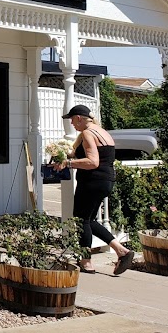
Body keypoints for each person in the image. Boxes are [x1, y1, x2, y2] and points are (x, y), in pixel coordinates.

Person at [52, 104, 135, 275]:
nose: (72, 125)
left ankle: (86, 261)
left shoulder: (88, 134)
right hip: (106, 181)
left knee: (81, 220)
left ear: (79, 118)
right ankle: (121, 251)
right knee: (89, 220)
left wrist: (67, 163)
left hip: (92, 181)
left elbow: (93, 162)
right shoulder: (103, 132)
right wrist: (62, 154)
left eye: (72, 120)